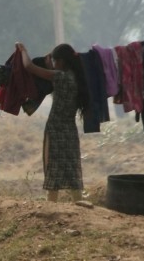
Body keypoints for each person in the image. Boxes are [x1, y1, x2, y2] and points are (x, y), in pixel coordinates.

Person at [16, 41, 90, 202]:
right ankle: (78, 202)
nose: (54, 64)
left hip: (55, 129)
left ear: (62, 61)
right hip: (70, 130)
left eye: (55, 61)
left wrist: (23, 50)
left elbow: (29, 67)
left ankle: (51, 204)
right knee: (71, 165)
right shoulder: (76, 79)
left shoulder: (59, 77)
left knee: (52, 166)